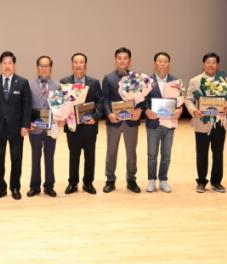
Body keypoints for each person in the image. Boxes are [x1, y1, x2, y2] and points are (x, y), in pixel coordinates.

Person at [184, 52, 227, 193]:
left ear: (217, 65)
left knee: (218, 153)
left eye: (214, 62)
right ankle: (201, 181)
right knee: (201, 153)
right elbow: (188, 99)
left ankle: (216, 182)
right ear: (203, 64)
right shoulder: (195, 81)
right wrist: (193, 110)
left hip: (219, 122)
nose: (211, 64)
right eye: (208, 62)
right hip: (202, 121)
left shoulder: (225, 80)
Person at [0, 51, 32, 200]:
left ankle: (15, 187)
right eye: (4, 63)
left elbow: (27, 106)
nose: (7, 66)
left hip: (17, 128)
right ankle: (0, 188)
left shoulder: (22, 82)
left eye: (10, 63)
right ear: (0, 65)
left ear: (14, 65)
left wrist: (25, 125)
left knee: (16, 158)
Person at [61, 52, 102, 195]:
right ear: (72, 64)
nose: (78, 65)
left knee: (90, 156)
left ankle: (88, 183)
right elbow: (60, 103)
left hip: (89, 125)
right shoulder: (64, 82)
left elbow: (100, 102)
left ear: (85, 65)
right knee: (74, 155)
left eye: (81, 62)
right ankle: (73, 183)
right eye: (76, 62)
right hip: (72, 126)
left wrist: (95, 117)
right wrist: (62, 116)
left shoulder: (94, 82)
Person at [102, 47, 141, 193]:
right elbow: (105, 99)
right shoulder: (108, 78)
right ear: (115, 60)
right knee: (111, 151)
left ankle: (131, 180)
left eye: (125, 58)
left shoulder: (136, 78)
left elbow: (142, 98)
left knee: (131, 152)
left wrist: (139, 110)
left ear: (129, 60)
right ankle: (110, 180)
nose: (122, 61)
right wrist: (109, 114)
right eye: (119, 58)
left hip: (131, 121)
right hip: (114, 121)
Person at [144, 52, 183, 193]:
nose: (162, 64)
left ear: (168, 64)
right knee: (152, 154)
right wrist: (147, 110)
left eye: (165, 61)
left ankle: (163, 180)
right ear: (155, 63)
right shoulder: (147, 81)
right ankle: (151, 180)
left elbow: (180, 100)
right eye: (160, 61)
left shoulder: (175, 81)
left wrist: (180, 109)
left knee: (166, 155)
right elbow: (143, 100)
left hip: (169, 123)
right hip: (153, 123)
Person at [27, 55, 60, 197]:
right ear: (37, 68)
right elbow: (26, 106)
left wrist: (60, 118)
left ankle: (49, 186)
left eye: (47, 66)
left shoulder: (57, 85)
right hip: (35, 128)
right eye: (41, 65)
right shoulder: (29, 85)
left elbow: (60, 106)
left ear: (50, 68)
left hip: (51, 128)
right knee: (35, 157)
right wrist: (27, 122)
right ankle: (34, 186)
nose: (44, 68)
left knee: (49, 157)